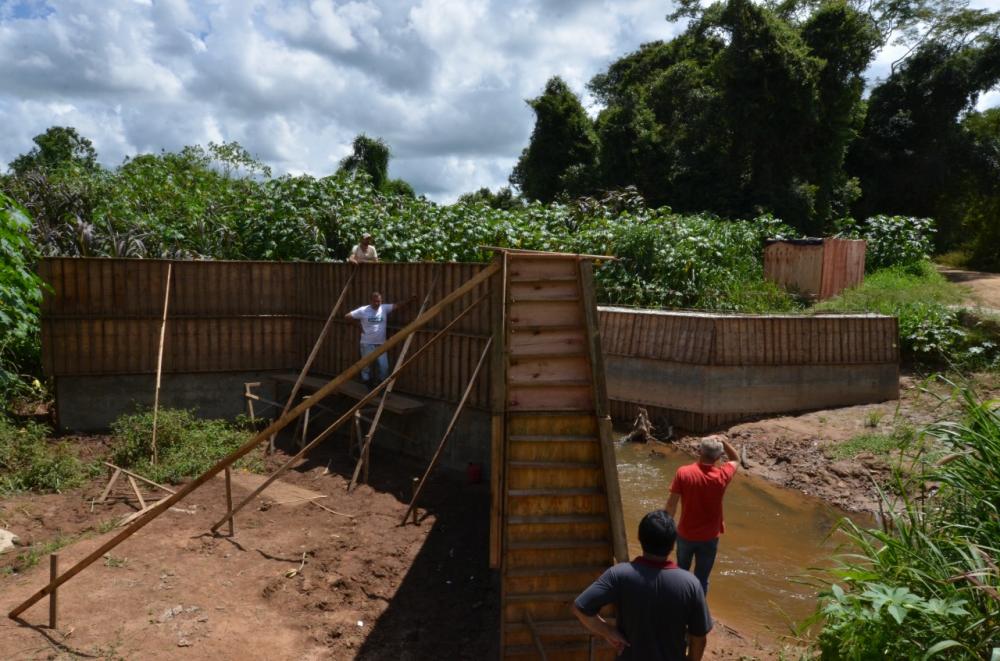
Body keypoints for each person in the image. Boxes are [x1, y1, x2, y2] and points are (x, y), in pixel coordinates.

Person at [572, 510, 712, 660]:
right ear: (673, 544)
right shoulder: (690, 584)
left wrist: (608, 631)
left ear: (639, 538)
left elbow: (580, 608)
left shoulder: (619, 575)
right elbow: (699, 639)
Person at [665, 435, 739, 596]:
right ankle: (697, 610)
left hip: (685, 534)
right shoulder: (723, 475)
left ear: (699, 451)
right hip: (710, 536)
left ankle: (679, 603)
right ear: (719, 456)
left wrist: (666, 527)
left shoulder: (683, 473)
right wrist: (724, 442)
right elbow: (736, 459)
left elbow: (671, 504)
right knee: (702, 579)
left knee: (681, 573)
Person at [345, 291, 415, 387]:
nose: (377, 303)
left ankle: (380, 384)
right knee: (366, 366)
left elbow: (397, 305)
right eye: (375, 301)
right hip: (367, 343)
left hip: (381, 344)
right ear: (371, 301)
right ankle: (367, 382)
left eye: (379, 301)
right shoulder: (363, 310)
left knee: (384, 367)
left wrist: (409, 300)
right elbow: (347, 316)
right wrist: (358, 326)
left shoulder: (384, 308)